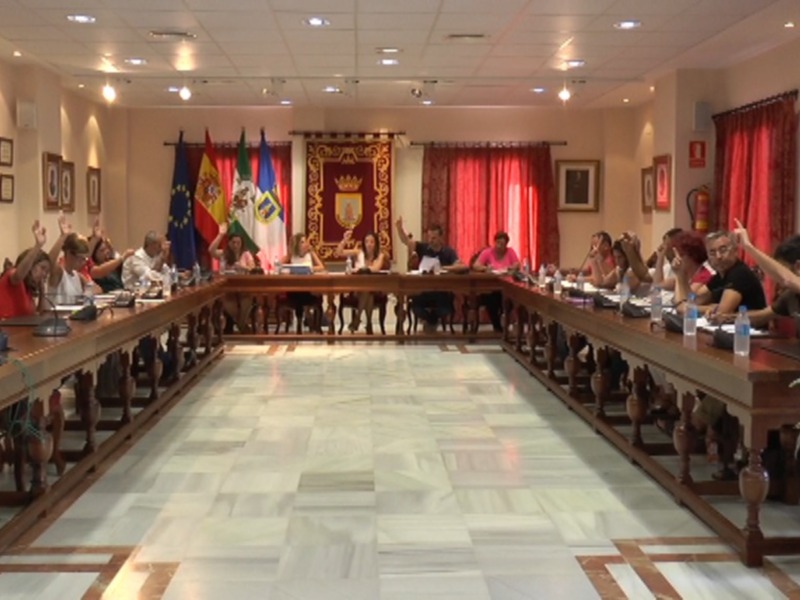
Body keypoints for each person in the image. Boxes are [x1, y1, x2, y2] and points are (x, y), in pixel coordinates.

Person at [395, 217, 467, 332]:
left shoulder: (448, 252)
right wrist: (399, 229)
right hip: (424, 291)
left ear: (440, 238)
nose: (431, 240)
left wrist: (444, 268)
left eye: (434, 238)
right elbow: (407, 242)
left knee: (445, 308)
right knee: (416, 307)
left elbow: (463, 266)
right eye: (429, 237)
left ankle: (431, 321)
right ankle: (431, 320)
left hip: (441, 292)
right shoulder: (423, 248)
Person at [335, 229, 387, 333]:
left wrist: (361, 269)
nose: (369, 244)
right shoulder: (358, 252)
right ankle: (368, 323)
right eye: (367, 241)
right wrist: (344, 240)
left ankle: (357, 319)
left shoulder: (380, 255)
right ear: (364, 243)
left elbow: (375, 269)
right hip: (356, 288)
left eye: (372, 242)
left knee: (368, 291)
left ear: (376, 243)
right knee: (366, 292)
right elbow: (339, 253)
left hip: (375, 288)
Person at [0, 220, 50, 319]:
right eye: (42, 268)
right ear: (31, 265)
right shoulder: (13, 276)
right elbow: (19, 275)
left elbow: (38, 314)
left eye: (46, 271)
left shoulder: (29, 289)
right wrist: (37, 246)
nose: (44, 274)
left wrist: (42, 291)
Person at [471, 231, 520, 332]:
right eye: (497, 243)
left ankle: (504, 323)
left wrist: (512, 267)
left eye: (502, 244)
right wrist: (485, 268)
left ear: (506, 245)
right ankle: (497, 326)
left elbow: (517, 264)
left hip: (506, 287)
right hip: (490, 287)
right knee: (490, 300)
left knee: (509, 300)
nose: (499, 246)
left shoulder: (510, 252)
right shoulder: (488, 252)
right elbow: (475, 265)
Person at [283, 233, 326, 330]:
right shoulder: (292, 255)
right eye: (302, 242)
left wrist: (310, 269)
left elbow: (321, 267)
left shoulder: (310, 254)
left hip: (309, 288)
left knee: (308, 293)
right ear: (297, 244)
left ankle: (310, 319)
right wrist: (289, 270)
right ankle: (302, 321)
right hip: (295, 289)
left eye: (306, 241)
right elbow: (280, 265)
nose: (305, 244)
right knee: (298, 294)